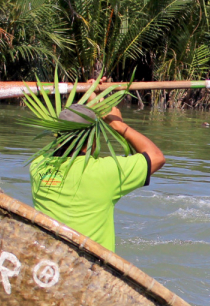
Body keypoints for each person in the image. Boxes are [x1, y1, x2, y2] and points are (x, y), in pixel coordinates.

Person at [30, 106, 164, 252]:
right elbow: (156, 157)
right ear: (93, 139)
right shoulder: (105, 172)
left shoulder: (38, 166)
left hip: (52, 260)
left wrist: (94, 95)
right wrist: (118, 125)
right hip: (93, 267)